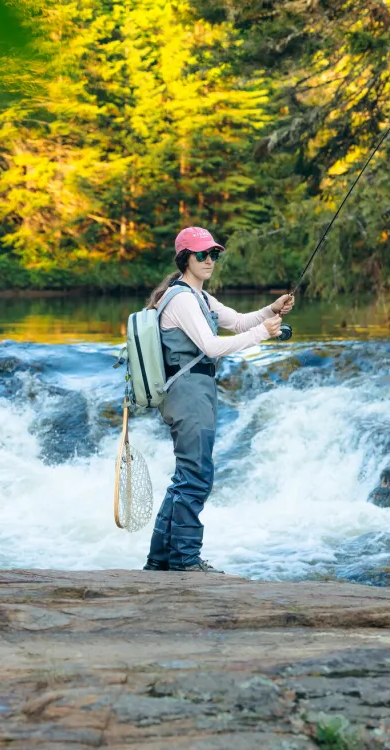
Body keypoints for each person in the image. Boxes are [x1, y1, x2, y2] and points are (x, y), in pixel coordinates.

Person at [143, 226, 294, 573]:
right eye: (202, 255)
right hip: (187, 392)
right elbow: (211, 346)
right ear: (185, 259)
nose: (209, 260)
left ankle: (159, 561)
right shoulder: (181, 299)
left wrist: (270, 310)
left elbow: (240, 322)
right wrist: (263, 333)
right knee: (196, 476)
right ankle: (185, 561)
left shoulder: (200, 297)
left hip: (196, 390)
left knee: (186, 476)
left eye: (213, 254)